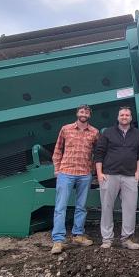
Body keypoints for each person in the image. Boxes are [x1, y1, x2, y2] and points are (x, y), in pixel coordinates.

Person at [50, 104, 99, 254]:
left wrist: (92, 170)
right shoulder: (66, 129)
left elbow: (98, 153)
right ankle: (58, 240)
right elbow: (58, 149)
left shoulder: (95, 132)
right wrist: (57, 169)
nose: (84, 113)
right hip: (66, 172)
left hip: (84, 174)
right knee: (60, 207)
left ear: (89, 115)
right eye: (81, 111)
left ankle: (78, 235)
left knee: (81, 207)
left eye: (87, 112)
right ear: (77, 113)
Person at [94, 106, 139, 250]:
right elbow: (99, 153)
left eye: (127, 115)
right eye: (122, 115)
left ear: (131, 118)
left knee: (130, 208)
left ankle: (127, 239)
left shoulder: (137, 134)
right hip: (110, 175)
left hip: (130, 176)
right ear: (118, 117)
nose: (124, 117)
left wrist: (137, 172)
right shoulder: (108, 133)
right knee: (107, 207)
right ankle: (107, 239)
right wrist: (99, 173)